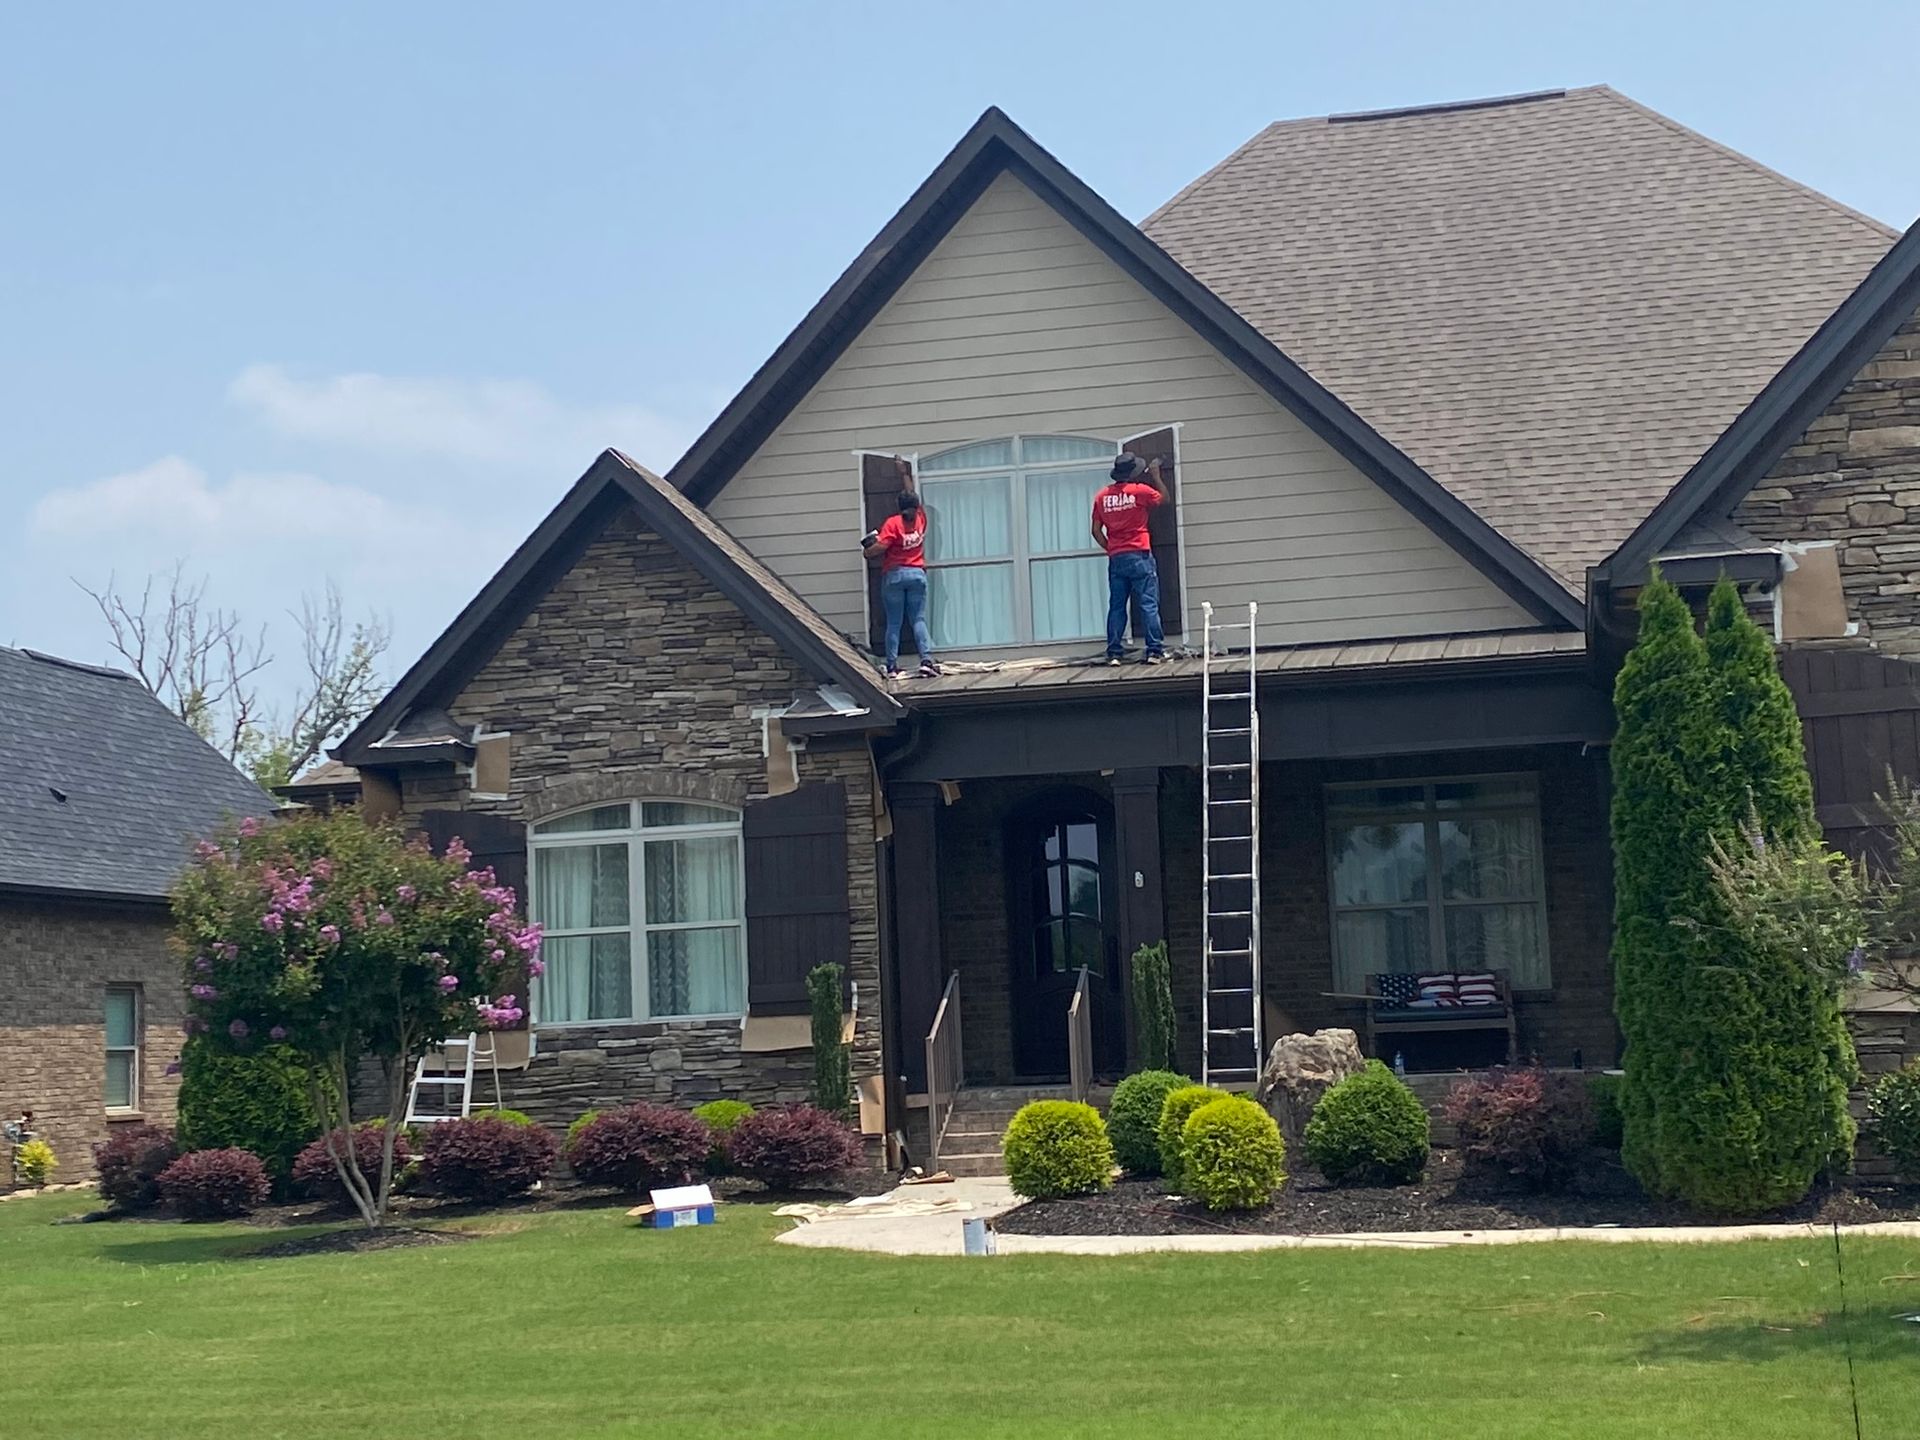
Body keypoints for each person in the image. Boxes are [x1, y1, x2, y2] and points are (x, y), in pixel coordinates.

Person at [1091, 451, 1169, 665]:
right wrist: (1156, 475)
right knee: (1148, 603)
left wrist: (1111, 549)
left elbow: (1096, 530)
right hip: (1140, 554)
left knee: (1117, 606)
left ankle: (1114, 652)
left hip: (1117, 558)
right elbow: (1164, 499)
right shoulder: (1139, 491)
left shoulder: (1101, 497)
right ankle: (1154, 650)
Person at [863, 488, 941, 678]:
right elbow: (913, 492)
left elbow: (880, 547)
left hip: (895, 575)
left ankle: (891, 666)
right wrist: (904, 473)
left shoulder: (893, 523)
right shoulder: (921, 518)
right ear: (916, 506)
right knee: (918, 620)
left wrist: (867, 549)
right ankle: (926, 661)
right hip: (917, 575)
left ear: (899, 506)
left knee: (894, 622)